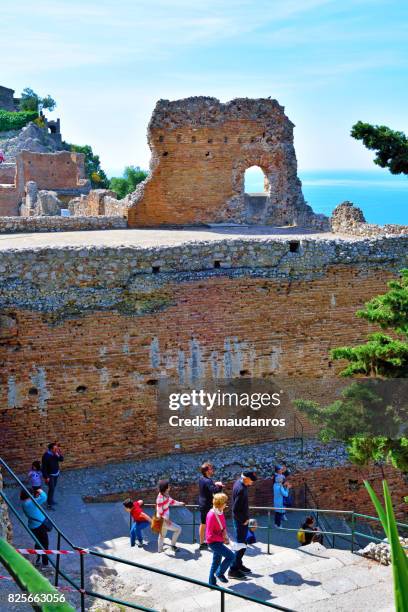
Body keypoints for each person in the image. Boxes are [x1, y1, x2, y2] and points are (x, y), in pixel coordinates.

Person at [228, 470, 257, 580]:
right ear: (245, 478)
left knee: (243, 544)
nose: (252, 483)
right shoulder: (241, 489)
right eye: (251, 480)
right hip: (240, 522)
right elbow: (235, 509)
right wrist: (244, 520)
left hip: (240, 521)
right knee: (241, 546)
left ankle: (238, 564)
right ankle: (233, 570)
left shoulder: (239, 483)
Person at [206, 493, 234, 586]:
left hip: (219, 540)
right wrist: (222, 538)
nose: (226, 504)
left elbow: (223, 526)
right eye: (225, 502)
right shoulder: (211, 515)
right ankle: (219, 573)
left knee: (216, 561)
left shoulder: (220, 512)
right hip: (213, 542)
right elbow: (209, 536)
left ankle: (211, 583)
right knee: (231, 556)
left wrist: (225, 536)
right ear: (220, 503)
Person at [20, 488, 50, 571]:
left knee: (38, 543)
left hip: (33, 526)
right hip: (39, 526)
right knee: (45, 544)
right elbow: (44, 497)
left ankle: (37, 559)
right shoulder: (31, 503)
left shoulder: (25, 504)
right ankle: (45, 563)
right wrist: (39, 490)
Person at [198, 462, 223, 550]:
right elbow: (214, 491)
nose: (212, 470)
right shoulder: (208, 481)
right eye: (211, 469)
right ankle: (212, 541)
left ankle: (201, 543)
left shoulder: (201, 478)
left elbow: (208, 487)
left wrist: (215, 484)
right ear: (207, 471)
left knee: (203, 524)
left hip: (202, 504)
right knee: (208, 524)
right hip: (207, 506)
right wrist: (219, 486)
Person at [156, 479, 185, 553]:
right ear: (165, 487)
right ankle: (172, 546)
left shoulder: (165, 494)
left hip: (164, 520)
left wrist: (179, 503)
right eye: (168, 486)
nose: (170, 487)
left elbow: (171, 501)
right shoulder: (160, 498)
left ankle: (160, 550)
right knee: (178, 529)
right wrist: (166, 520)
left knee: (162, 535)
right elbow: (159, 512)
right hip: (163, 520)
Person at [41, 442, 64, 510]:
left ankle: (50, 500)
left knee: (53, 487)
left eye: (57, 448)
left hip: (56, 473)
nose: (57, 449)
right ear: (51, 449)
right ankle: (49, 505)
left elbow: (61, 459)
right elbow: (44, 467)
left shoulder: (55, 453)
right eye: (55, 448)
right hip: (50, 475)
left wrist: (58, 454)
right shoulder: (46, 456)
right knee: (52, 489)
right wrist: (46, 477)